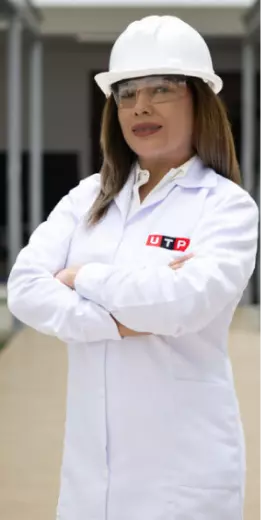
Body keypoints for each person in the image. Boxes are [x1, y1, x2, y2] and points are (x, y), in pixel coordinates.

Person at [7, 15, 259, 520]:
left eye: (161, 88)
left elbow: (185, 303)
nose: (140, 106)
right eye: (126, 93)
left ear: (199, 100)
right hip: (89, 474)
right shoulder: (87, 197)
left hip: (183, 475)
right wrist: (117, 321)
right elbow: (25, 289)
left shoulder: (227, 207)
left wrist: (82, 278)